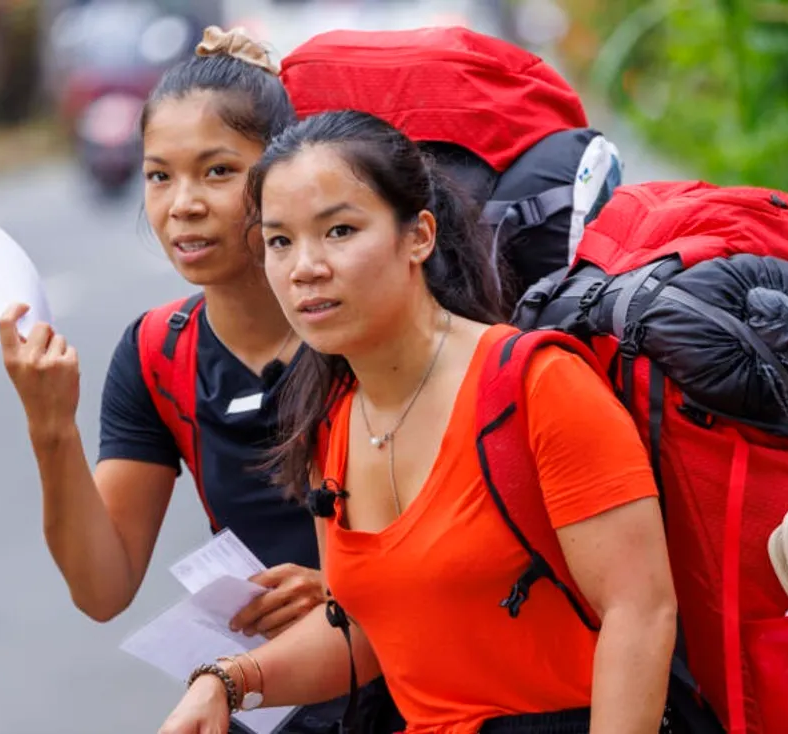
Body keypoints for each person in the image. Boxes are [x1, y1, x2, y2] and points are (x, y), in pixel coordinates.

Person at [158, 110, 677, 734]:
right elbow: (367, 633)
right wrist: (227, 683)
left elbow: (640, 611)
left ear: (419, 236)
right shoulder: (333, 419)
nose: (305, 268)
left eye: (340, 230)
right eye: (279, 241)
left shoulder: (535, 386)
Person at [0, 28, 393, 734]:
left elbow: (472, 535)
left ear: (280, 174)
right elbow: (101, 585)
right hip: (261, 699)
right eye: (159, 175)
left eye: (217, 172)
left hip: (407, 689)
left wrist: (349, 591)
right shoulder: (157, 353)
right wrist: (49, 425)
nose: (182, 203)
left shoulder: (362, 325)